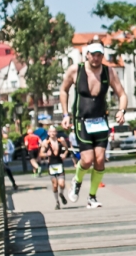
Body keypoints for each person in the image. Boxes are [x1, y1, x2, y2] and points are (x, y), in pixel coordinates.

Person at [59, 42, 128, 208]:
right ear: (87, 55)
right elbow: (63, 90)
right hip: (82, 120)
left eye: (99, 55)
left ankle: (92, 197)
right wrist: (65, 114)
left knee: (100, 160)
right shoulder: (76, 70)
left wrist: (121, 111)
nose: (96, 58)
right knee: (87, 159)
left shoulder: (108, 71)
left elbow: (122, 94)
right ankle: (77, 181)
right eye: (93, 55)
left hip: (100, 121)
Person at [41, 131, 69, 208]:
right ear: (48, 133)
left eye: (54, 132)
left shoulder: (60, 140)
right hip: (51, 165)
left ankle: (61, 194)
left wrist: (64, 154)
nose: (52, 133)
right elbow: (41, 153)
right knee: (55, 185)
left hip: (59, 164)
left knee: (62, 184)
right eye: (51, 132)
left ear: (56, 132)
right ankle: (57, 202)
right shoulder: (46, 142)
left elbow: (67, 149)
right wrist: (46, 154)